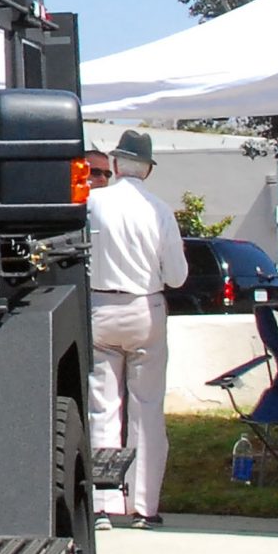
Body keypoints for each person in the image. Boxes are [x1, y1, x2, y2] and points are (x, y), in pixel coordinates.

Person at [85, 129, 187, 528]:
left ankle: (103, 502)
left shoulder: (93, 203)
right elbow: (177, 277)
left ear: (114, 163)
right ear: (146, 168)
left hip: (100, 305)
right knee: (147, 409)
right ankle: (145, 505)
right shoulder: (159, 209)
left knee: (102, 407)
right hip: (145, 305)